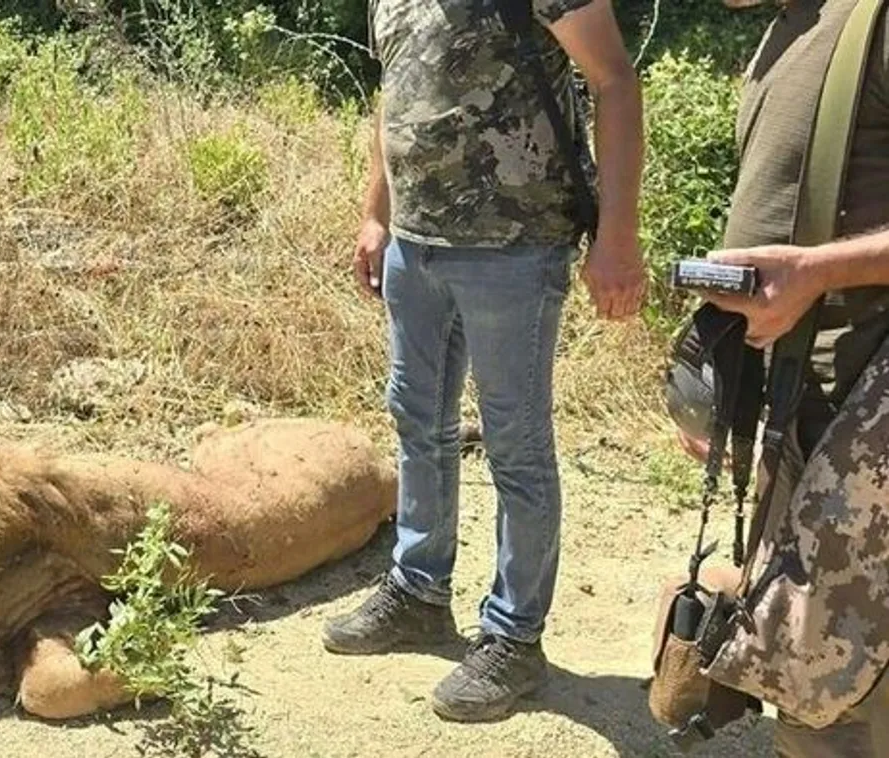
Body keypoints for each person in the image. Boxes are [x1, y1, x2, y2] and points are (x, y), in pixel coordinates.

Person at [321, 0, 646, 723]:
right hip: (414, 246)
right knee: (416, 420)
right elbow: (394, 96)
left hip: (514, 247)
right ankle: (417, 589)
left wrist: (617, 239)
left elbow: (615, 81)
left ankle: (514, 636)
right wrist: (375, 213)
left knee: (514, 444)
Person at [672, 0, 889, 753]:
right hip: (803, 419)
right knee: (812, 690)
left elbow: (806, 263)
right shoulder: (789, 28)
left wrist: (816, 273)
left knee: (844, 706)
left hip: (863, 433)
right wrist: (722, 394)